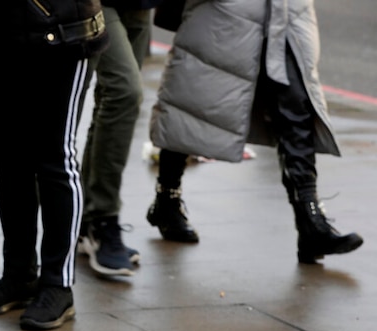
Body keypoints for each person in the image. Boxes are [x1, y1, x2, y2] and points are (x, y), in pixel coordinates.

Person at [146, 0, 363, 263]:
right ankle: (167, 198)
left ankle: (310, 221)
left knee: (297, 103)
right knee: (195, 100)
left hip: (287, 11)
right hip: (225, 10)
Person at [0, 0, 109, 330]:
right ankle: (18, 275)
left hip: (62, 32)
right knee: (9, 161)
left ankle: (58, 284)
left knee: (56, 159)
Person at [76, 1, 162, 277]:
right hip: (96, 4)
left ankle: (86, 222)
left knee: (111, 98)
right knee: (124, 91)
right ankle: (103, 218)